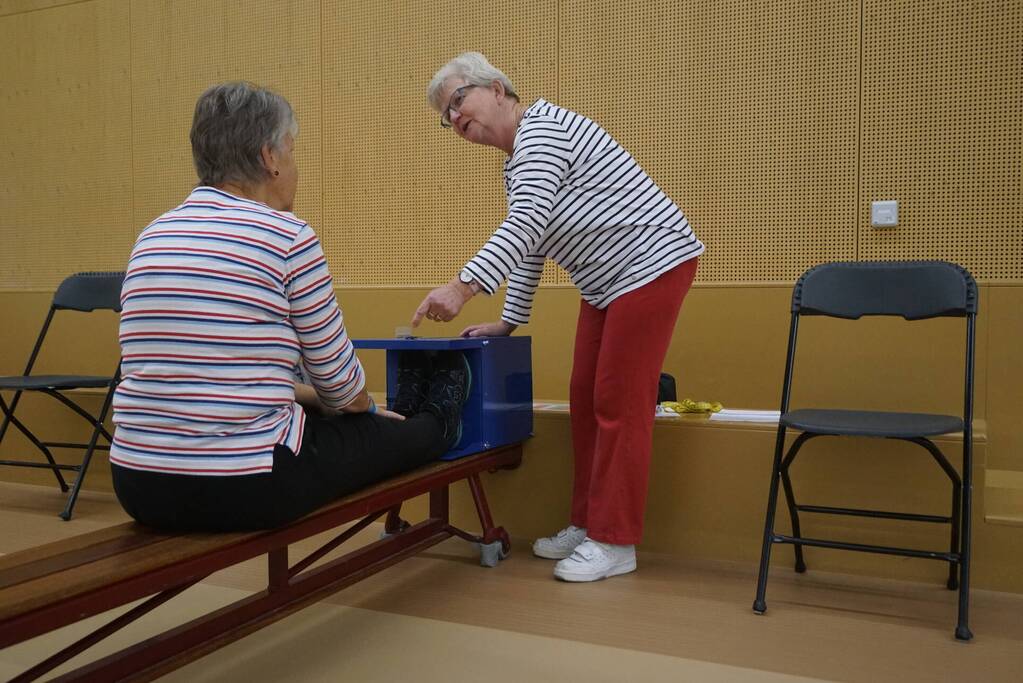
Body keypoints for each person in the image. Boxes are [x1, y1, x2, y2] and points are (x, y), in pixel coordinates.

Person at [110, 81, 468, 532]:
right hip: (246, 484)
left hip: (138, 481)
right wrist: (364, 406)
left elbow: (197, 374)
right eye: (292, 150)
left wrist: (320, 400)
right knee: (393, 433)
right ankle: (435, 418)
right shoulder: (286, 236)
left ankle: (405, 413)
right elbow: (342, 389)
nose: (295, 166)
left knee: (326, 414)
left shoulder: (150, 238)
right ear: (269, 158)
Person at [414, 53, 704, 582]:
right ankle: (589, 522)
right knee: (584, 397)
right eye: (445, 116)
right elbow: (532, 245)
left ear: (499, 88)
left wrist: (462, 287)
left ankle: (616, 541)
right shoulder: (518, 162)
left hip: (651, 264)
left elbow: (525, 224)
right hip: (607, 283)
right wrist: (508, 321)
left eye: (458, 100)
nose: (454, 118)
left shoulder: (543, 129)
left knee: (619, 400)